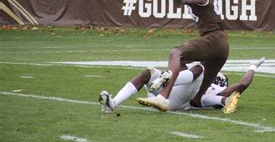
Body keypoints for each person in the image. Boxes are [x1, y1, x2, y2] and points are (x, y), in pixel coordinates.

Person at [137, 0, 229, 112]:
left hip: (213, 39)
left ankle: (163, 97)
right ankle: (220, 99)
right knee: (196, 99)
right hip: (221, 45)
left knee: (176, 52)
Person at [98, 57, 265, 114]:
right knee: (147, 73)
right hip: (177, 90)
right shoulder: (210, 87)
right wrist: (252, 67)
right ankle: (113, 104)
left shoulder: (213, 92)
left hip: (178, 101)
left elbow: (236, 89)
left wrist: (227, 101)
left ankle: (167, 81)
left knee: (200, 67)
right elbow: (241, 85)